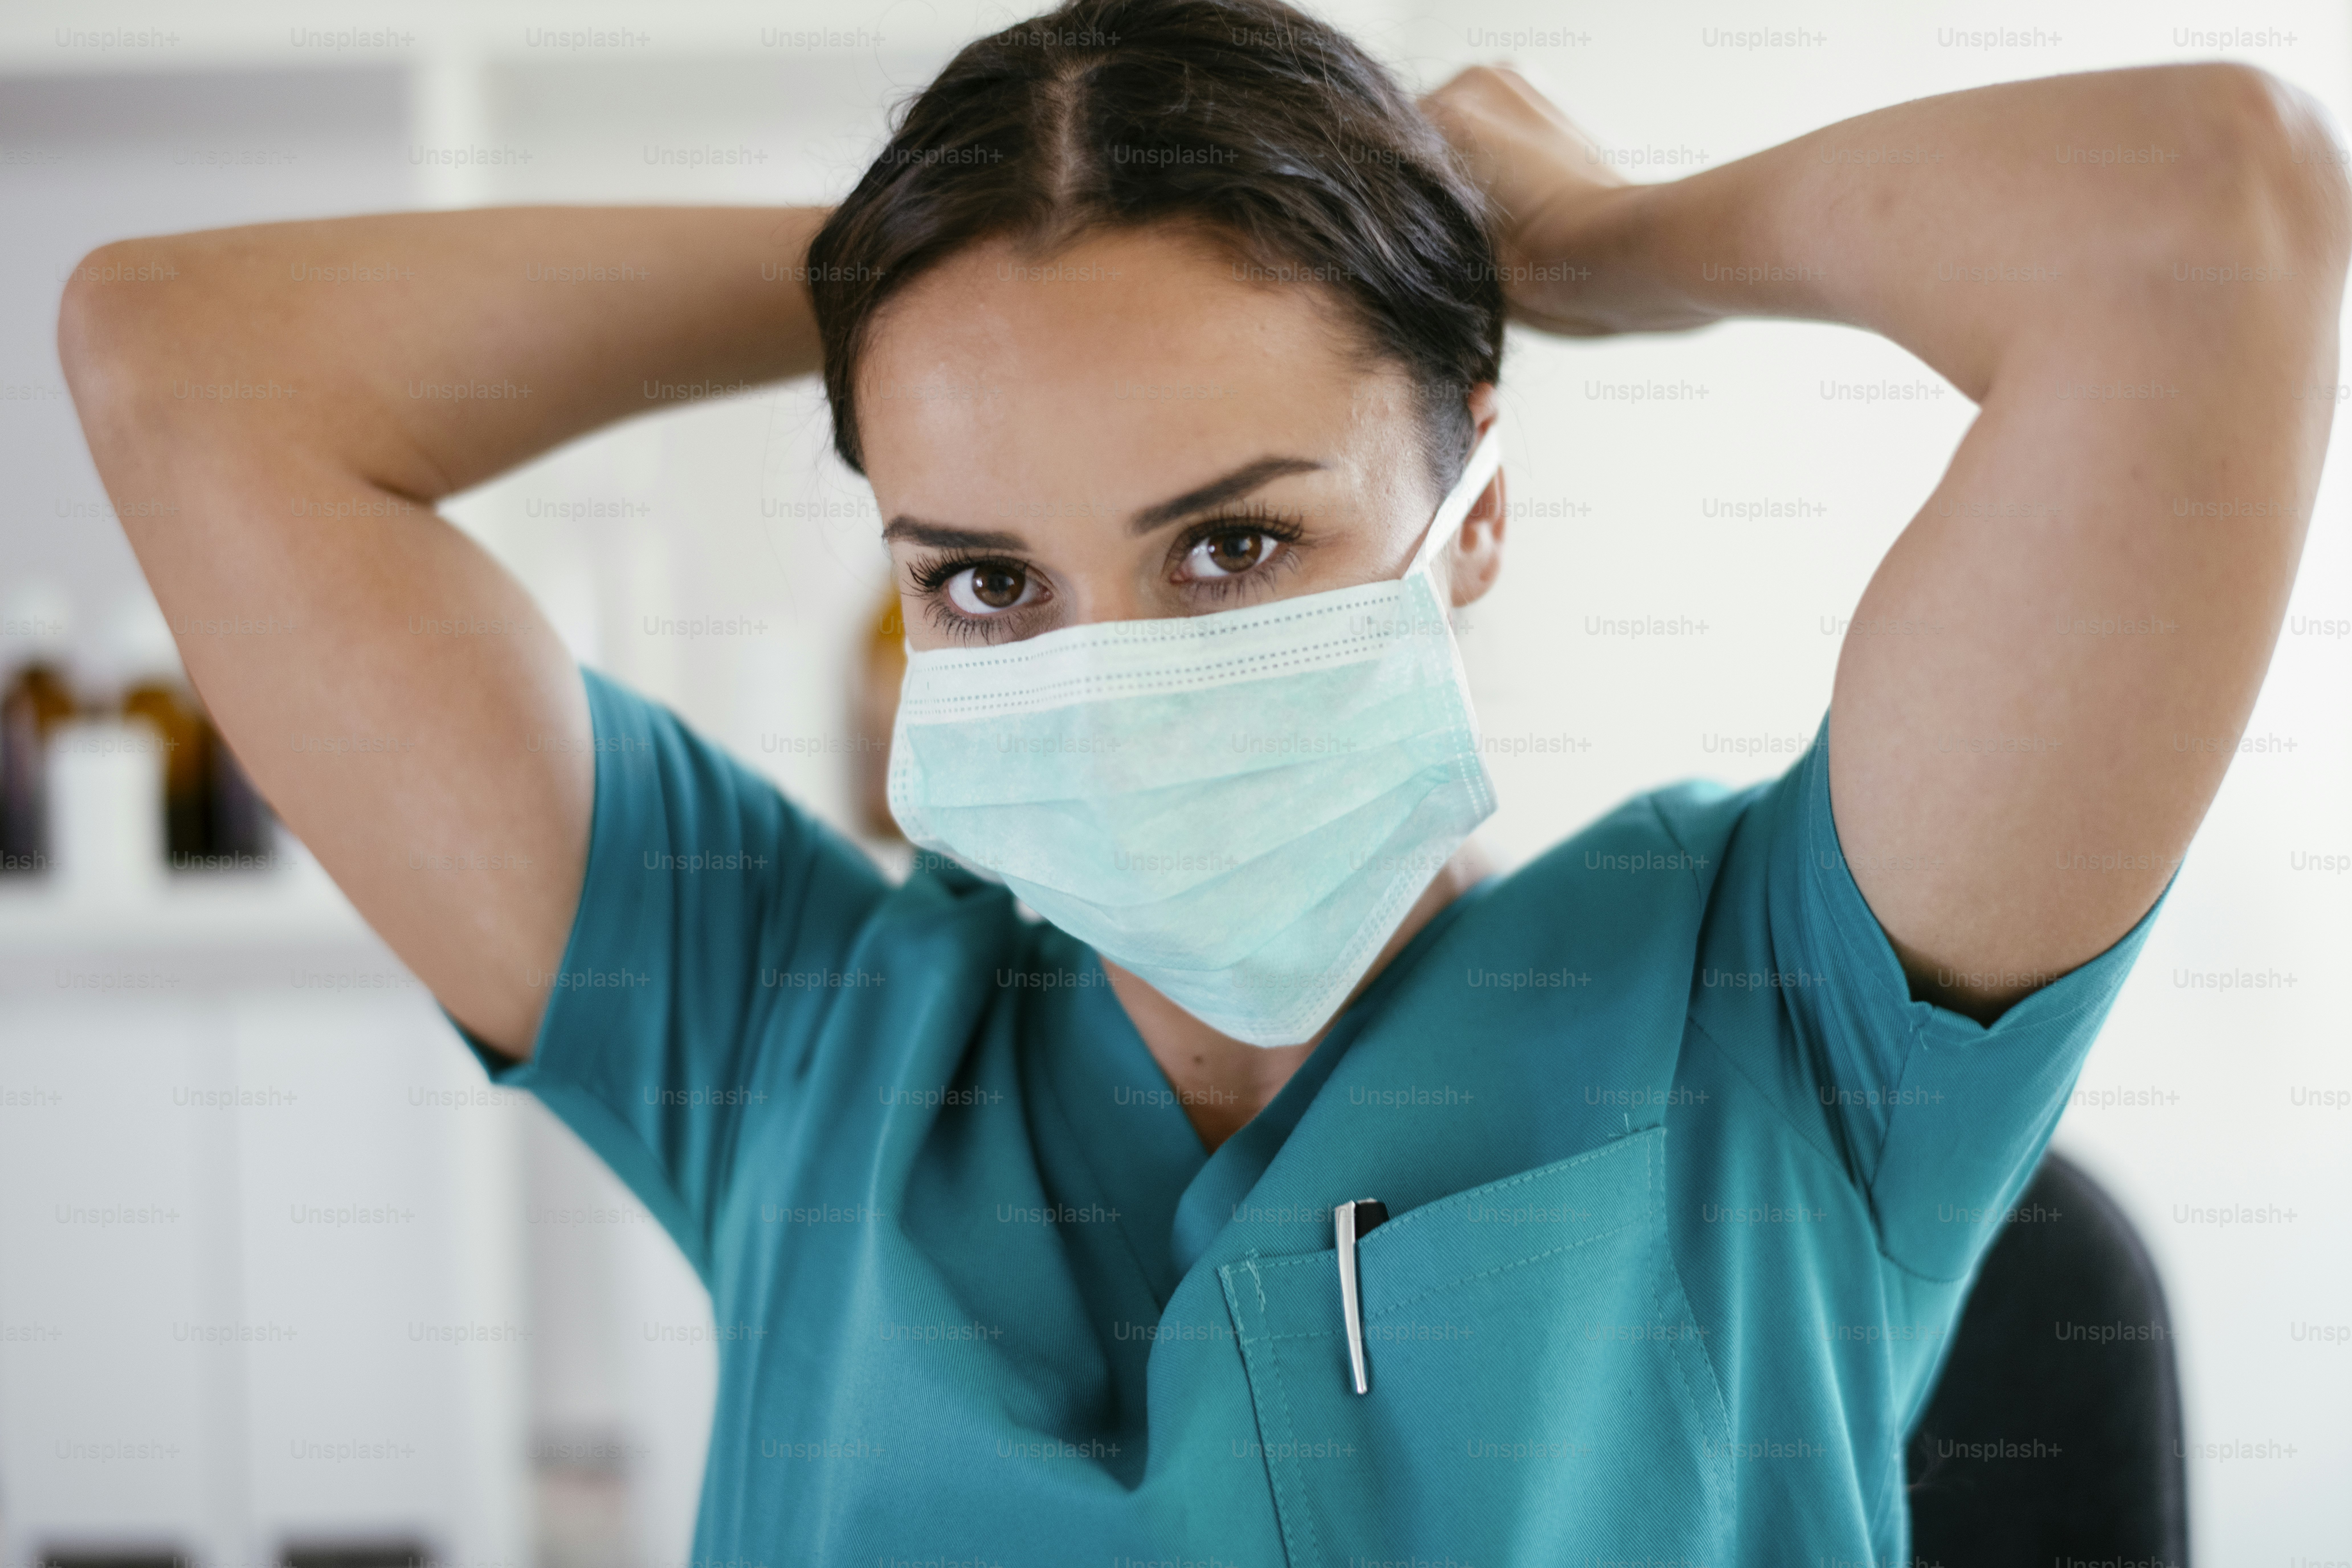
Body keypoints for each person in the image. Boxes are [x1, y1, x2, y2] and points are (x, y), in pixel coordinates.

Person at [58, 0, 2347, 1560]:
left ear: (1479, 512)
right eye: (988, 578)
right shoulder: (789, 1047)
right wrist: (931, 277)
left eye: (1235, 544)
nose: (1118, 678)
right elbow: (176, 365)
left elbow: (2202, 218)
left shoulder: (1785, 1026)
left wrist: (1589, 240)